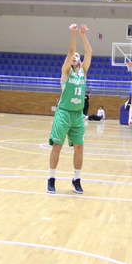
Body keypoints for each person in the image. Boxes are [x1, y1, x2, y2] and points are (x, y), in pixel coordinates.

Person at [47, 24, 92, 194]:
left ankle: (77, 179)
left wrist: (83, 35)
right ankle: (51, 178)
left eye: (77, 56)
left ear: (80, 61)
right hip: (64, 112)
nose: (75, 56)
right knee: (57, 145)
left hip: (78, 114)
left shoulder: (83, 71)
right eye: (73, 56)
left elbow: (89, 52)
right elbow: (71, 50)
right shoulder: (66, 72)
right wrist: (73, 34)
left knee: (79, 147)